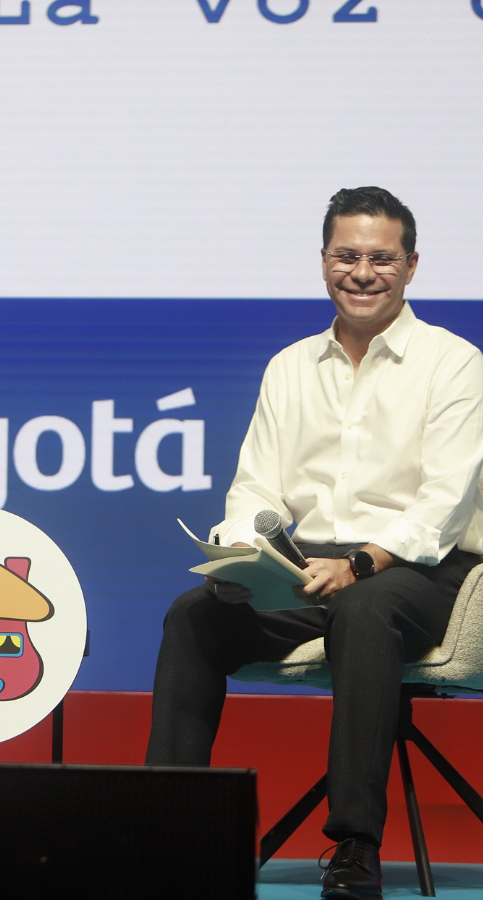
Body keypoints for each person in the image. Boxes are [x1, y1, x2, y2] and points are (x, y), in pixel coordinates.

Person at [145, 187, 483, 900]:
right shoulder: (290, 366)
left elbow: (442, 507)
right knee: (193, 615)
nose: (362, 272)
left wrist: (361, 564)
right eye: (347, 256)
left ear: (412, 266)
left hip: (422, 571)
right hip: (311, 568)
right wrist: (241, 555)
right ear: (323, 262)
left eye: (381, 259)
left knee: (363, 611)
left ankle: (355, 845)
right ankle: (169, 830)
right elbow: (258, 489)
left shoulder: (455, 365)